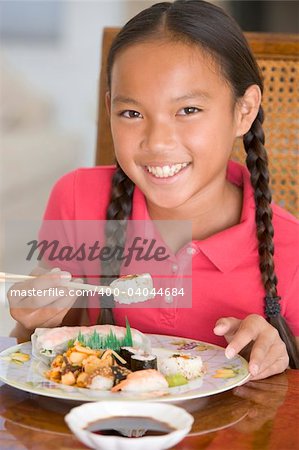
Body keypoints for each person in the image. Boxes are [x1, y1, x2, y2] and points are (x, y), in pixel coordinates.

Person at [8, 0, 299, 379]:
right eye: (132, 113)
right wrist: (33, 320)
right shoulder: (78, 199)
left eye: (188, 110)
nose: (157, 142)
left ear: (243, 111)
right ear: (110, 107)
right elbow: (36, 359)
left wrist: (281, 356)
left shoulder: (289, 248)